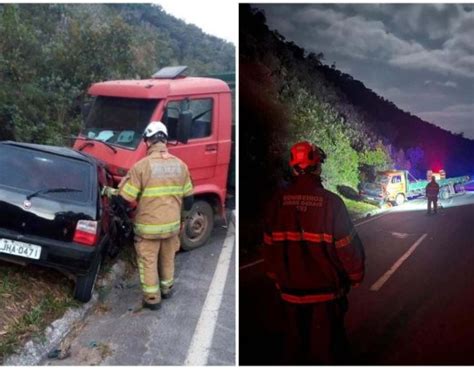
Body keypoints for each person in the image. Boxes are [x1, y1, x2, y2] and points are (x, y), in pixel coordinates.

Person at [263, 141, 365, 364]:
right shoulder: (332, 204)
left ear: (293, 168)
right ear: (318, 167)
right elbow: (348, 248)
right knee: (329, 351)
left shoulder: (276, 203)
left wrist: (278, 278)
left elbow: (269, 252)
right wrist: (355, 276)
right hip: (326, 297)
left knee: (294, 350)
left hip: (289, 296)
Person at [118, 121, 194, 310]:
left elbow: (125, 199)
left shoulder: (141, 167)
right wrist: (182, 220)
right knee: (168, 258)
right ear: (165, 140)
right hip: (172, 226)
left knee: (148, 261)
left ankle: (152, 299)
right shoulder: (181, 166)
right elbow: (189, 199)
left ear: (147, 141)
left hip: (148, 228)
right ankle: (167, 289)